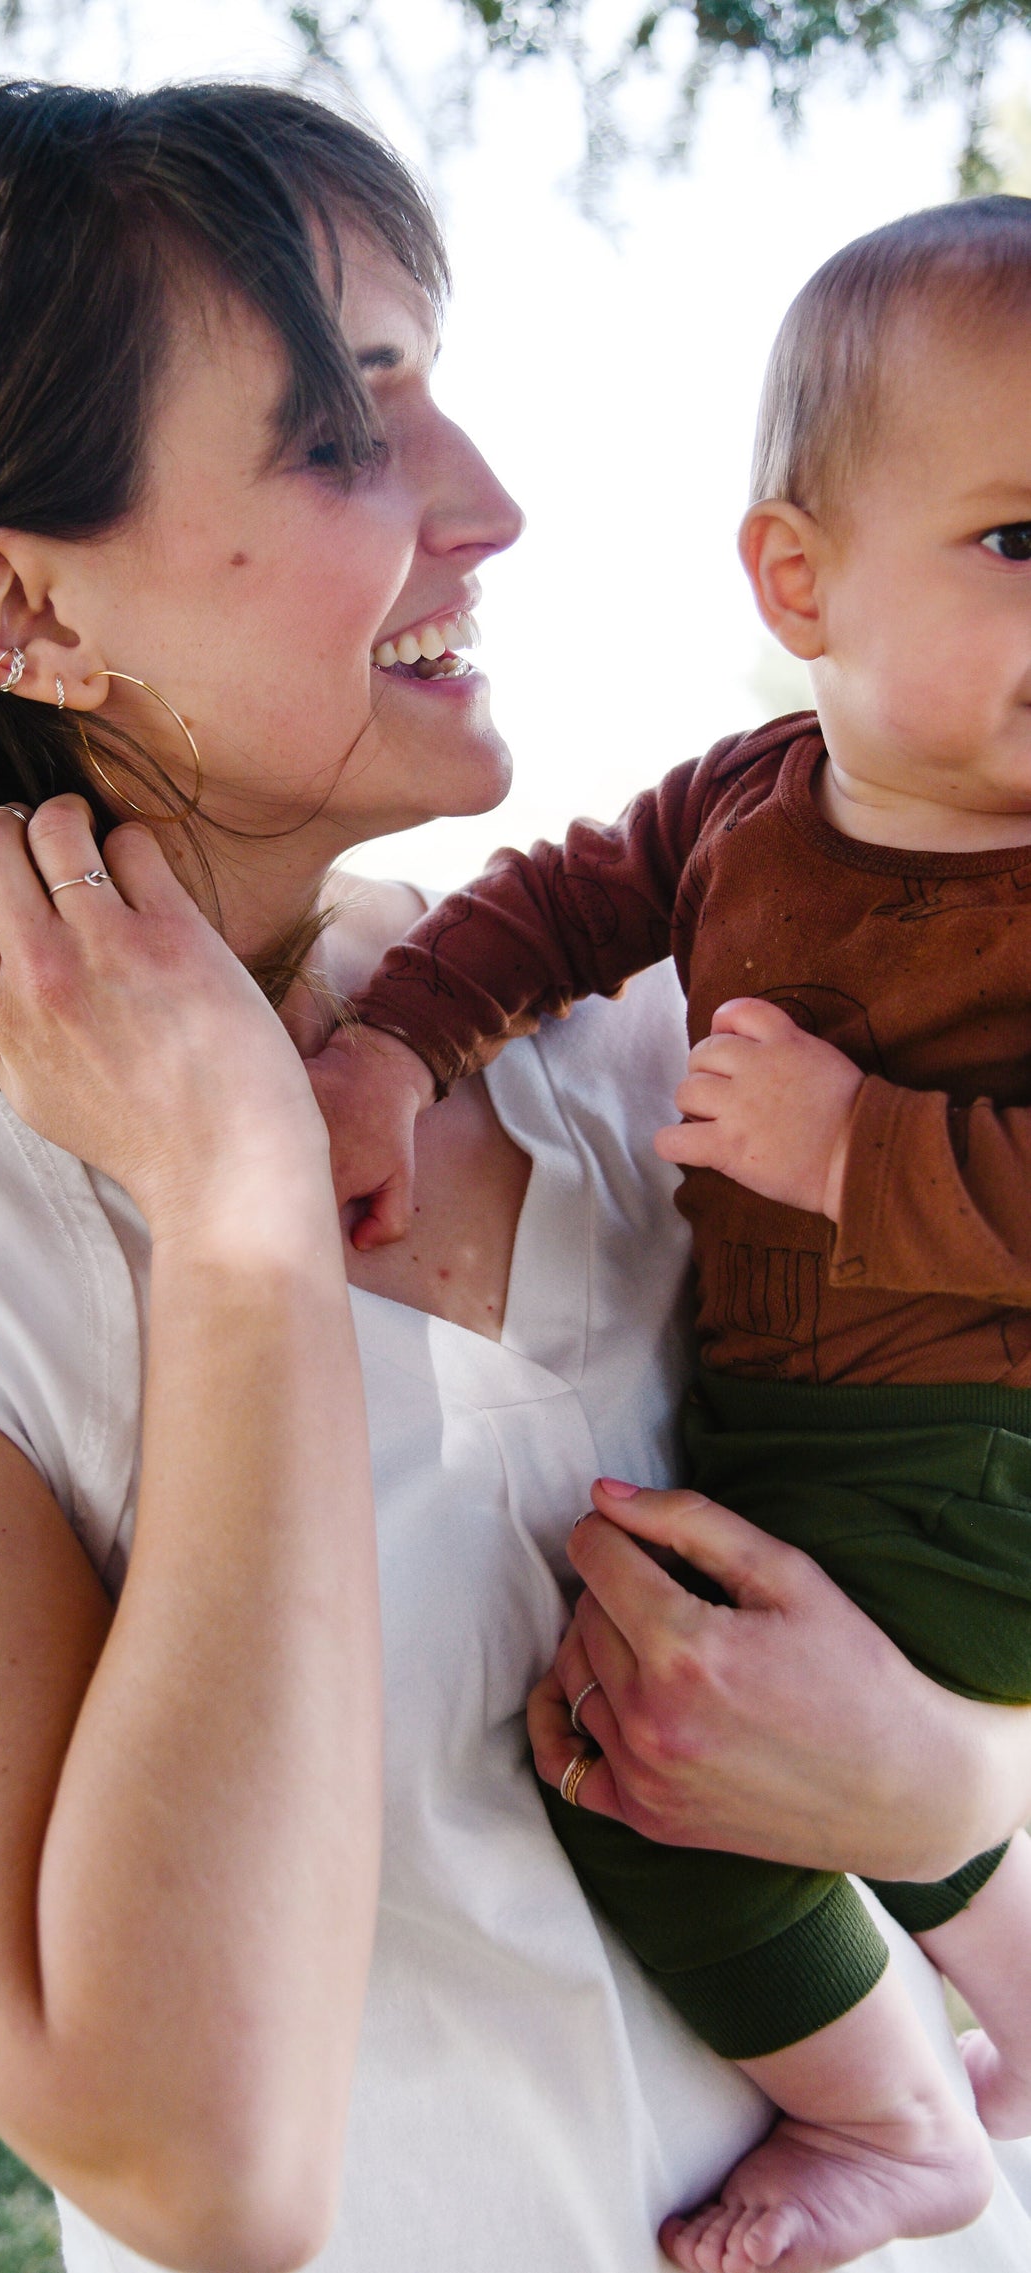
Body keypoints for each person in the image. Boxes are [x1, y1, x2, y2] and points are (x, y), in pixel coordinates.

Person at [0, 82, 1031, 2273]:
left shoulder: (626, 1023)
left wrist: (937, 1800)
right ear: (25, 610)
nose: (491, 507)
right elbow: (201, 2167)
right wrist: (242, 1225)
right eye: (346, 431)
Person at [307, 198, 1031, 2271]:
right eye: (1025, 541)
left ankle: (896, 2124)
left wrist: (860, 1146)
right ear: (799, 576)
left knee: (659, 1774)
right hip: (808, 1433)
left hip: (982, 1460)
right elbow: (555, 902)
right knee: (736, 1705)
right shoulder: (747, 801)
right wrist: (396, 1055)